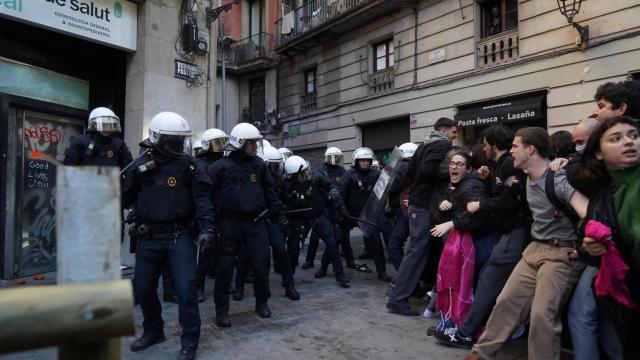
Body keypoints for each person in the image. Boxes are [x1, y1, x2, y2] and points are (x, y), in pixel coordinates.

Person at [464, 127, 589, 360]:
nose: (511, 151)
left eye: (515, 146)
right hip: (533, 249)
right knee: (506, 302)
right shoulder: (523, 176)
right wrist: (487, 174)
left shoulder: (558, 178)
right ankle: (481, 353)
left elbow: (587, 212)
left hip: (561, 253)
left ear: (530, 149)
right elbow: (505, 188)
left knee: (542, 315)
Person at [123, 112, 214, 360]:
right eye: (173, 139)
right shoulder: (140, 165)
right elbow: (125, 195)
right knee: (142, 289)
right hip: (149, 237)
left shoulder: (190, 166)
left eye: (180, 139)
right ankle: (154, 331)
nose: (178, 144)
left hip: (179, 236)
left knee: (186, 290)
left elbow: (202, 200)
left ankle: (190, 341)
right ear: (159, 139)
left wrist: (207, 229)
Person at [435, 124, 528, 349]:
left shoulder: (508, 166)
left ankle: (467, 331)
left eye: (485, 144)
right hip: (509, 232)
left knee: (488, 280)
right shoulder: (500, 166)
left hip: (513, 231)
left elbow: (510, 201)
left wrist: (479, 205)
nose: (483, 148)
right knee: (498, 283)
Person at [207, 123, 286, 328]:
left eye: (256, 142)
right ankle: (222, 310)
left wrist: (278, 213)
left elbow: (269, 191)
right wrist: (209, 221)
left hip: (255, 222)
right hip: (229, 223)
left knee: (261, 265)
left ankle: (262, 303)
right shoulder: (220, 167)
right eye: (251, 143)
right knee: (224, 268)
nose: (255, 146)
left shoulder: (259, 165)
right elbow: (206, 194)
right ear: (239, 143)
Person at [579, 116, 640, 360]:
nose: (628, 142)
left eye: (634, 135)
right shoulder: (603, 194)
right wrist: (590, 247)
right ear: (599, 154)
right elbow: (588, 239)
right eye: (616, 138)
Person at [386, 117, 457, 316]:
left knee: (417, 251)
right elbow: (427, 171)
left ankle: (399, 293)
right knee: (416, 252)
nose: (454, 137)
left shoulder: (425, 144)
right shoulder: (441, 145)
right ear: (444, 131)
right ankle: (397, 298)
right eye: (453, 132)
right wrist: (450, 173)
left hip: (419, 203)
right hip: (425, 204)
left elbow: (410, 172)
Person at [234, 146, 300, 301]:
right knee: (246, 255)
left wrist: (290, 201)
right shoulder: (251, 177)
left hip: (271, 221)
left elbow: (282, 197)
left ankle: (289, 284)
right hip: (254, 222)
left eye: (276, 166)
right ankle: (239, 286)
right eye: (271, 166)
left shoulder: (278, 179)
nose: (274, 169)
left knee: (280, 250)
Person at [283, 155, 350, 287]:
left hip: (318, 215)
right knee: (294, 247)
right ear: (295, 175)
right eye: (304, 172)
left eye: (307, 169)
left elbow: (330, 186)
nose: (308, 173)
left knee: (331, 241)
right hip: (300, 219)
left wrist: (334, 193)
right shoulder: (287, 186)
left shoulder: (316, 177)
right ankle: (288, 278)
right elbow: (283, 203)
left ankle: (340, 274)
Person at [339, 147, 391, 282]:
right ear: (356, 161)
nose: (365, 163)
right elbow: (340, 193)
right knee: (336, 237)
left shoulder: (376, 174)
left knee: (376, 243)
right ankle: (324, 266)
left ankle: (382, 272)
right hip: (351, 214)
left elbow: (384, 191)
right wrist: (342, 210)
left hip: (368, 214)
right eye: (362, 160)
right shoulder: (348, 175)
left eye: (368, 160)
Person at [303, 146, 356, 269]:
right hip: (324, 207)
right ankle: (309, 260)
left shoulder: (343, 171)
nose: (335, 160)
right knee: (315, 237)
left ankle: (350, 260)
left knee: (343, 237)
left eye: (337, 158)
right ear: (327, 158)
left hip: (338, 207)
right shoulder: (321, 171)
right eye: (333, 157)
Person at [193, 128, 228, 303]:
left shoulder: (225, 162)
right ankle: (198, 286)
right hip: (207, 212)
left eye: (222, 142)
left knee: (224, 251)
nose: (220, 147)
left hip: (222, 210)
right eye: (216, 143)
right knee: (205, 251)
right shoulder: (200, 164)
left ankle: (222, 284)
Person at [64, 107, 133, 168]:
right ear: (94, 125)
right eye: (103, 125)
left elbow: (130, 169)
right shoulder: (81, 142)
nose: (106, 129)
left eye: (109, 125)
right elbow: (69, 167)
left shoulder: (119, 144)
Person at [387, 142, 418, 270]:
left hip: (404, 211)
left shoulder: (401, 167)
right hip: (413, 210)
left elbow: (390, 188)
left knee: (394, 245)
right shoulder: (418, 167)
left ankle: (403, 277)